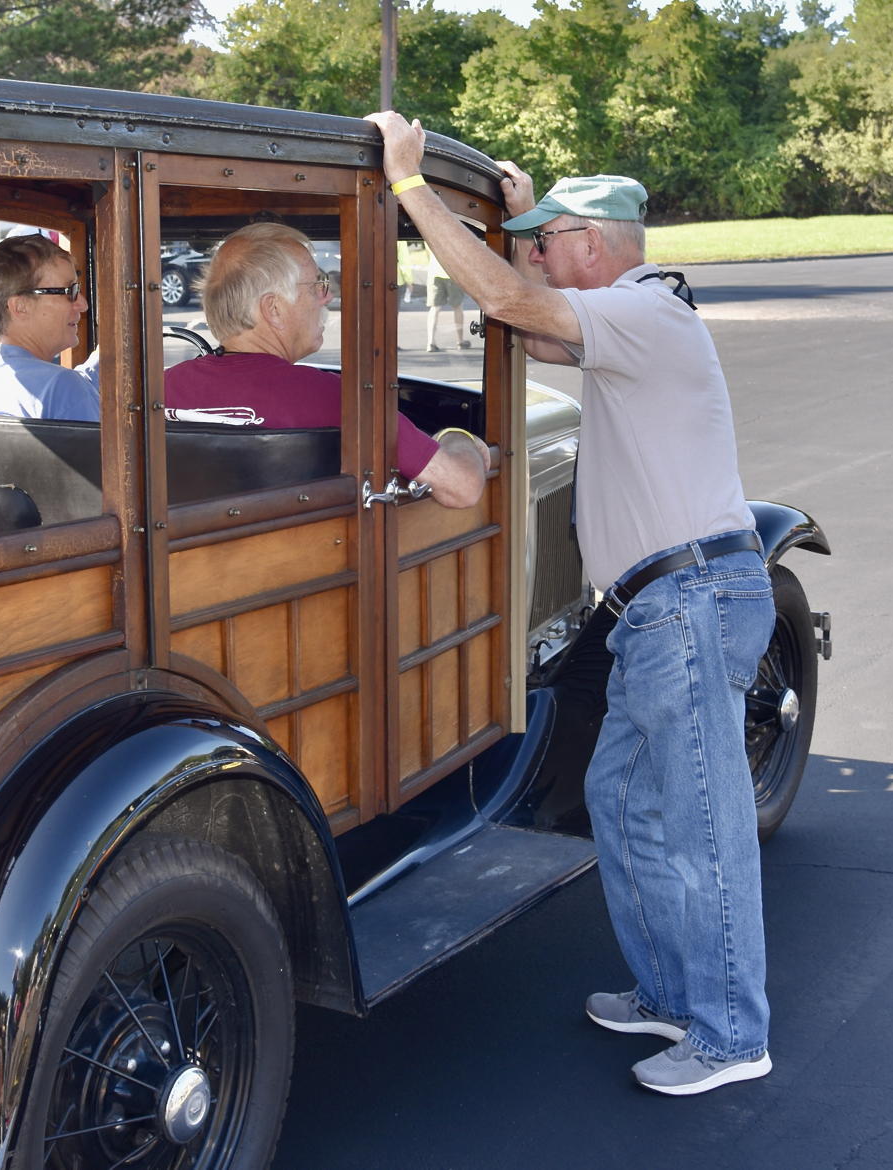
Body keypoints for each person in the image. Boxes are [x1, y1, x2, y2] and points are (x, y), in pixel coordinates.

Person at [368, 109, 775, 1097]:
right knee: (622, 801)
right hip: (659, 607)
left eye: (549, 241)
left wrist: (409, 184)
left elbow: (511, 302)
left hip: (686, 600)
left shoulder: (643, 312)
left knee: (699, 827)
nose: (541, 257)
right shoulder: (633, 322)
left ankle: (730, 1035)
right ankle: (671, 994)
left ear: (591, 243)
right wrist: (518, 225)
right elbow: (533, 329)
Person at [162, 221, 491, 508]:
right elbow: (461, 487)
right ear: (273, 309)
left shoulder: (159, 391)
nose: (328, 297)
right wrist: (455, 436)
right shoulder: (336, 398)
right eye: (316, 285)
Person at [0, 233, 101, 419]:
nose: (83, 304)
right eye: (71, 291)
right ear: (21, 306)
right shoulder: (64, 388)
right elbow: (65, 392)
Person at [423, 245, 472, 352]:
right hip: (453, 271)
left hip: (435, 271)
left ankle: (430, 342)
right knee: (457, 307)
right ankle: (460, 340)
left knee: (435, 308)